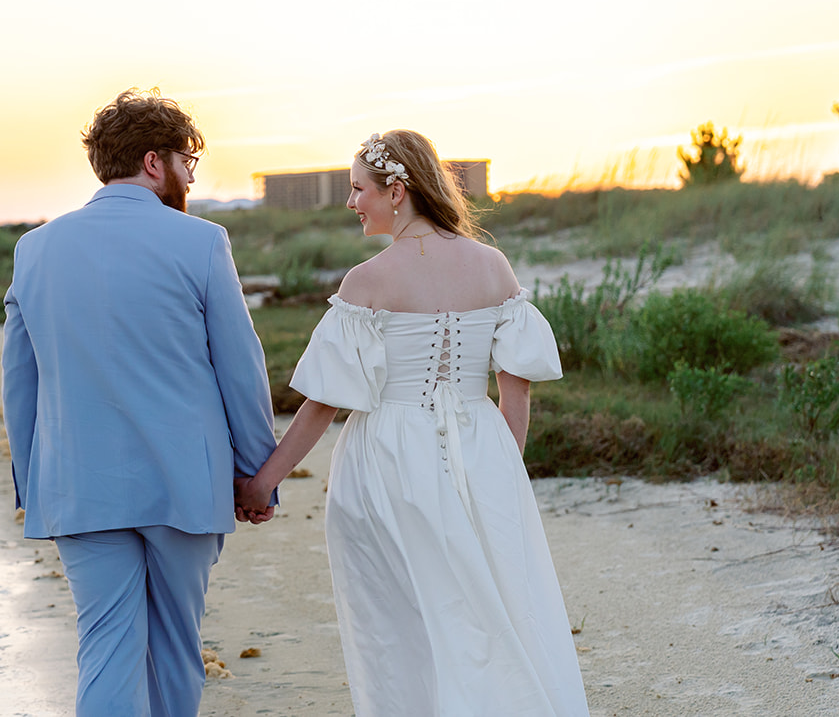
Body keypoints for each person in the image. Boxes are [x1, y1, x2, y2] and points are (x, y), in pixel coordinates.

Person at [234, 129, 589, 717]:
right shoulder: (493, 265)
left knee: (398, 619)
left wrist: (262, 481)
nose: (351, 201)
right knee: (490, 605)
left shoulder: (368, 280)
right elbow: (516, 386)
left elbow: (324, 403)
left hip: (388, 459)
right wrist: (501, 469)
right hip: (483, 447)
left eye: (358, 188)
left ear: (396, 191)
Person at [1, 88, 280, 717]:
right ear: (155, 162)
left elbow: (20, 380)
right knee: (175, 648)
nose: (191, 179)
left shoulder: (34, 249)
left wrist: (32, 481)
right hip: (184, 483)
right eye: (188, 162)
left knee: (104, 647)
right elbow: (241, 368)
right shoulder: (202, 241)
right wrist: (256, 475)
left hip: (77, 484)